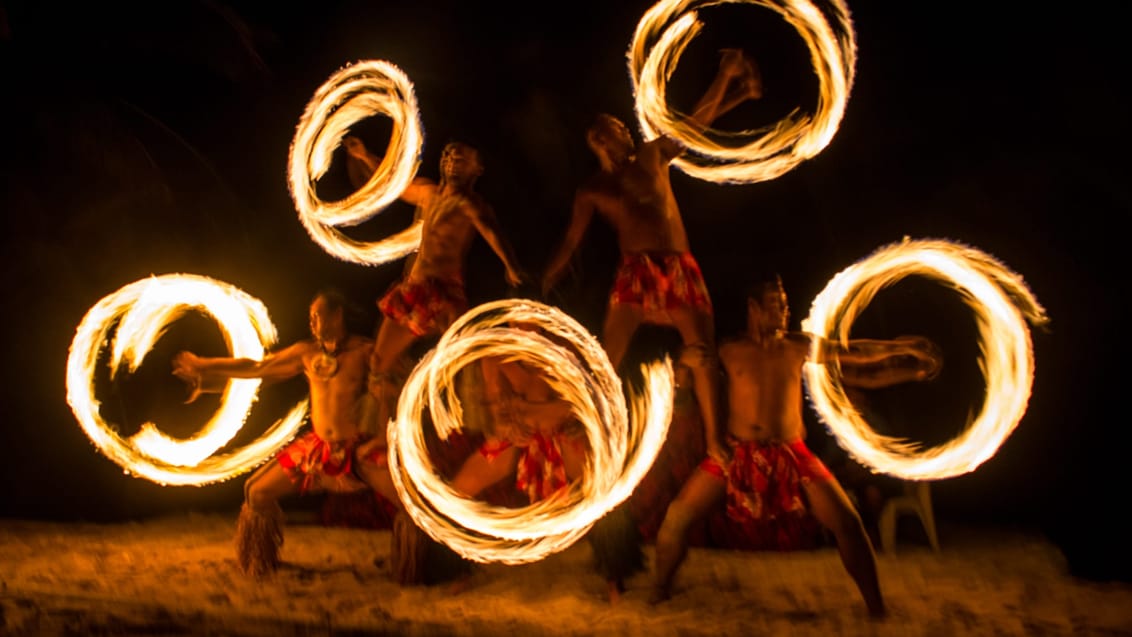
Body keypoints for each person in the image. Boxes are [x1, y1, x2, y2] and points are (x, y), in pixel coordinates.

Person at [648, 274, 943, 617]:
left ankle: (876, 606)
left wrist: (900, 348)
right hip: (737, 453)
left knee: (848, 524)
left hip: (793, 453)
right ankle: (659, 590)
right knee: (677, 517)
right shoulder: (729, 349)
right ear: (754, 308)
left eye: (786, 304)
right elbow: (683, 377)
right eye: (776, 303)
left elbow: (854, 352)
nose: (785, 310)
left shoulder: (798, 345)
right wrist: (681, 357)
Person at [541, 48, 764, 468]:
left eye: (610, 130)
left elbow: (694, 128)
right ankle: (583, 417)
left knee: (702, 351)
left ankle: (715, 440)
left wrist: (727, 77)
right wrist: (546, 275)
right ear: (594, 147)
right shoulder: (593, 189)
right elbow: (571, 242)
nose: (603, 138)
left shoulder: (651, 156)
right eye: (596, 137)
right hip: (635, 272)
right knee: (608, 354)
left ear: (626, 135)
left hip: (678, 265)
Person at [171, 288, 403, 578]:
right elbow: (259, 367)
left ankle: (418, 565)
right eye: (310, 317)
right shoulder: (306, 354)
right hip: (318, 450)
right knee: (257, 492)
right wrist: (206, 366)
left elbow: (390, 394)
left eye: (317, 315)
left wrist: (382, 439)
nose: (312, 322)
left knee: (411, 505)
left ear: (337, 315)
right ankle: (260, 563)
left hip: (358, 449)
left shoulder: (366, 352)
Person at [344, 137, 526, 431]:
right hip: (414, 287)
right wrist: (365, 156)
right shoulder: (428, 193)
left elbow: (491, 232)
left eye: (462, 159)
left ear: (476, 169)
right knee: (378, 363)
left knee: (460, 362)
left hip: (445, 291)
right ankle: (378, 430)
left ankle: (476, 427)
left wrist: (511, 266)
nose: (453, 162)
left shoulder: (470, 204)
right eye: (449, 156)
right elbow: (394, 182)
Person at [448, 342, 645, 604]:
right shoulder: (496, 356)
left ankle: (615, 578)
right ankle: (458, 570)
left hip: (562, 434)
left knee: (604, 490)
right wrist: (510, 426)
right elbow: (498, 412)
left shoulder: (561, 351)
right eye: (517, 323)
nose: (524, 330)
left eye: (530, 325)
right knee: (456, 492)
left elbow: (575, 407)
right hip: (519, 437)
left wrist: (531, 412)